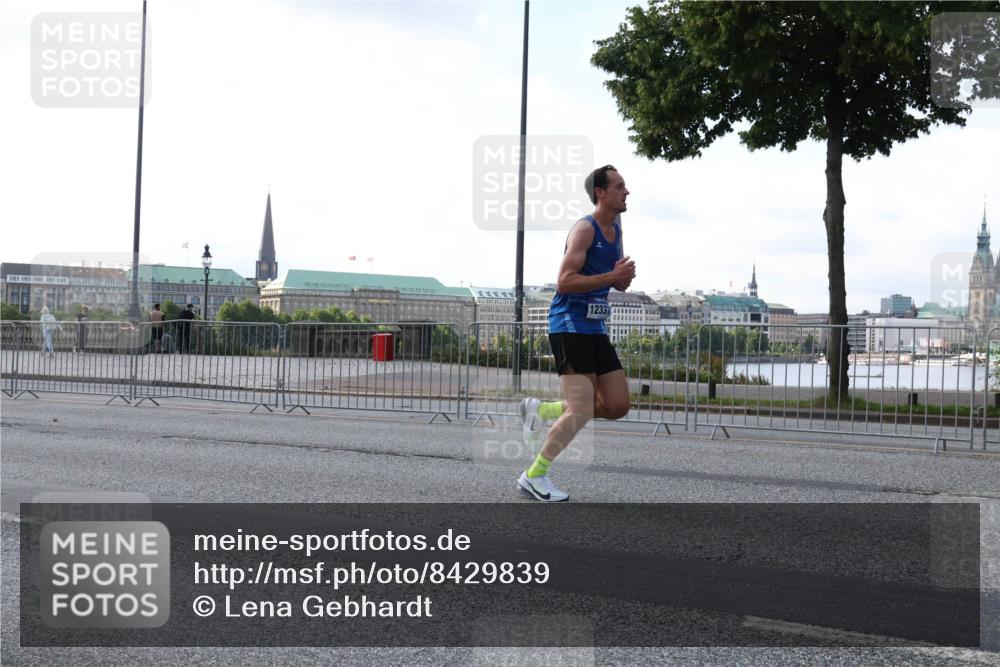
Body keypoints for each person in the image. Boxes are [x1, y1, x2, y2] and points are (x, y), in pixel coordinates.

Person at [517, 165, 636, 502]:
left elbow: (612, 278)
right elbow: (565, 281)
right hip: (569, 324)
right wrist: (610, 279)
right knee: (582, 410)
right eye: (619, 186)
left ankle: (544, 410)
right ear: (601, 192)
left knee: (617, 405)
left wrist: (621, 278)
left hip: (595, 326)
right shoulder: (586, 229)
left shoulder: (618, 229)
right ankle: (534, 475)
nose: (626, 192)